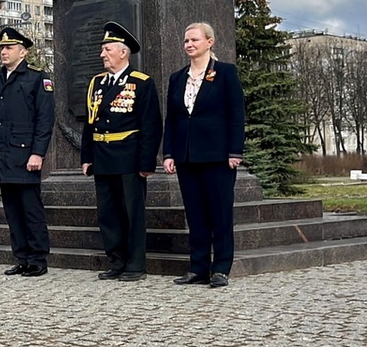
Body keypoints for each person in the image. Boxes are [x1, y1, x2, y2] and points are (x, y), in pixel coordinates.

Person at [163, 22, 246, 288]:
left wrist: (235, 150)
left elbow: (236, 114)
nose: (189, 44)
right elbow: (173, 119)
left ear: (210, 42)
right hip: (187, 157)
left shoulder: (225, 73)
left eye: (195, 40)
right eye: (186, 40)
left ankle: (221, 267)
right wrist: (169, 153)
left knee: (220, 213)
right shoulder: (177, 78)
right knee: (195, 214)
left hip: (218, 156)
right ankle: (198, 266)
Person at [81, 21, 163, 282]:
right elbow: (89, 122)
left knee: (132, 213)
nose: (102, 54)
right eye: (103, 49)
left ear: (123, 52)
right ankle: (116, 260)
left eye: (107, 49)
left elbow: (151, 126)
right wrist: (86, 156)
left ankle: (136, 264)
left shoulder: (141, 83)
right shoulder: (97, 83)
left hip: (128, 156)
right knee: (108, 212)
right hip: (102, 156)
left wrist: (147, 162)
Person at [0, 26, 55, 277]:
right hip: (2, 154)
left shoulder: (36, 78)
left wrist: (38, 153)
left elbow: (45, 120)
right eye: (2, 47)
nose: (4, 51)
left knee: (30, 209)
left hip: (25, 156)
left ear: (22, 52)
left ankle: (37, 258)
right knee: (12, 210)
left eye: (9, 47)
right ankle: (21, 256)